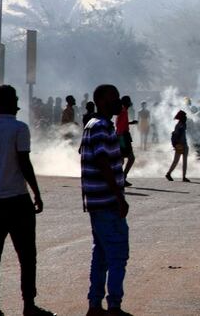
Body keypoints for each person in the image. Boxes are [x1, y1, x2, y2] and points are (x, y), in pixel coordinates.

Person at [0, 85, 55, 316]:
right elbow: (24, 162)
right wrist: (37, 193)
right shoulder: (20, 128)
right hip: (18, 200)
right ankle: (28, 305)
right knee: (27, 256)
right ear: (14, 102)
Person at [79, 84, 132, 316]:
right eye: (113, 98)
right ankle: (114, 306)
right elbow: (102, 161)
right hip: (107, 202)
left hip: (97, 202)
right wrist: (119, 197)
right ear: (101, 101)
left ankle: (95, 304)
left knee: (100, 254)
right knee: (117, 254)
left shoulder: (95, 125)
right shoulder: (100, 126)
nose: (117, 102)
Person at [115, 96, 138, 187]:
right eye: (129, 101)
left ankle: (120, 178)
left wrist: (130, 123)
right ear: (126, 103)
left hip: (122, 136)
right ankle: (122, 177)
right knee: (130, 158)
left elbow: (120, 124)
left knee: (122, 160)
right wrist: (121, 140)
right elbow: (119, 126)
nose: (130, 103)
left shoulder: (122, 111)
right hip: (123, 136)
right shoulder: (123, 111)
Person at [165, 111, 189, 182]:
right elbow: (176, 135)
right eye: (184, 117)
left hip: (183, 144)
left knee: (182, 161)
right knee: (177, 161)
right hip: (180, 145)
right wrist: (176, 145)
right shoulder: (179, 125)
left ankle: (183, 177)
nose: (185, 118)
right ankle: (169, 173)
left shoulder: (183, 125)